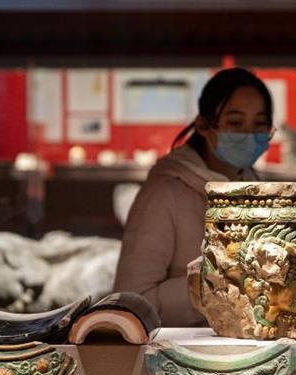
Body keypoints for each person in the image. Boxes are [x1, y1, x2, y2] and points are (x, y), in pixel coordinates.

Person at [113, 67, 274, 326]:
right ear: (202, 126)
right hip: (180, 345)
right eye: (235, 123)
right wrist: (221, 281)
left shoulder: (258, 187)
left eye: (259, 124)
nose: (248, 134)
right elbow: (131, 304)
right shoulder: (164, 193)